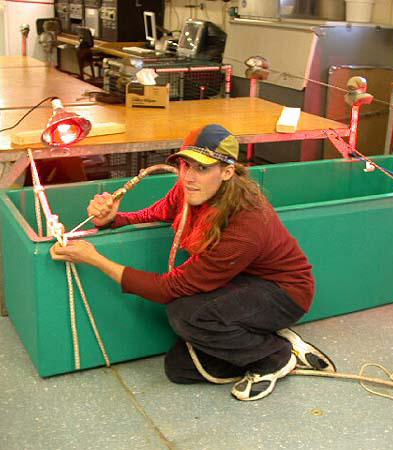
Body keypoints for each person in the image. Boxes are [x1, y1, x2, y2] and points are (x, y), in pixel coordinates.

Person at [50, 124, 335, 401]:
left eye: (201, 168)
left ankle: (274, 356)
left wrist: (94, 259)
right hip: (239, 283)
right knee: (179, 368)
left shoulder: (247, 223)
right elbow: (157, 212)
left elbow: (166, 290)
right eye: (185, 165)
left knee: (184, 314)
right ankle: (258, 337)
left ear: (227, 171)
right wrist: (113, 219)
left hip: (283, 292)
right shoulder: (189, 191)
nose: (188, 177)